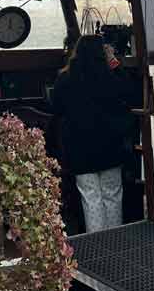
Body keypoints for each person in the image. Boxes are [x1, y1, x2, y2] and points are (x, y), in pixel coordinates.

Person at [51, 34, 134, 232]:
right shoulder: (110, 77)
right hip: (110, 146)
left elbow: (56, 107)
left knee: (91, 199)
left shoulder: (65, 78)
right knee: (112, 196)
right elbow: (130, 92)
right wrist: (114, 61)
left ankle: (97, 242)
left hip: (80, 148)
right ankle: (115, 239)